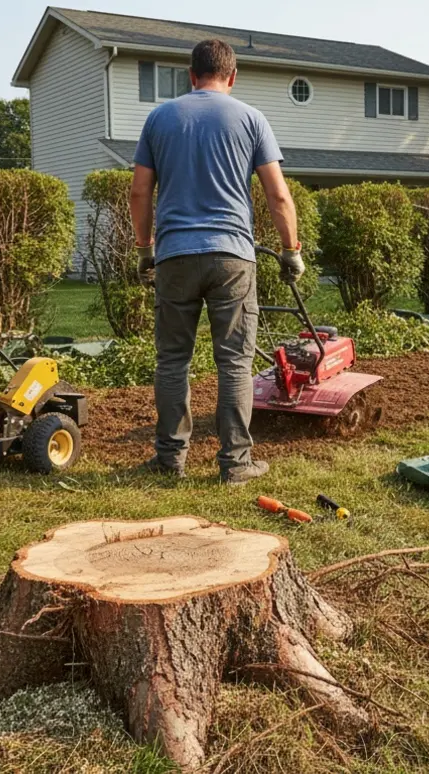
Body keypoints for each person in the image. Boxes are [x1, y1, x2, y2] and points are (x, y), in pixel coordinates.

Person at [129, 38, 303, 485]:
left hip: (175, 257)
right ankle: (235, 464)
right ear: (232, 76)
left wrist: (145, 248)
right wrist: (291, 251)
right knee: (234, 363)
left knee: (172, 361)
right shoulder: (250, 118)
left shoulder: (159, 118)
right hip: (232, 258)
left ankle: (170, 459)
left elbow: (139, 191)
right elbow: (277, 194)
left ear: (191, 75)